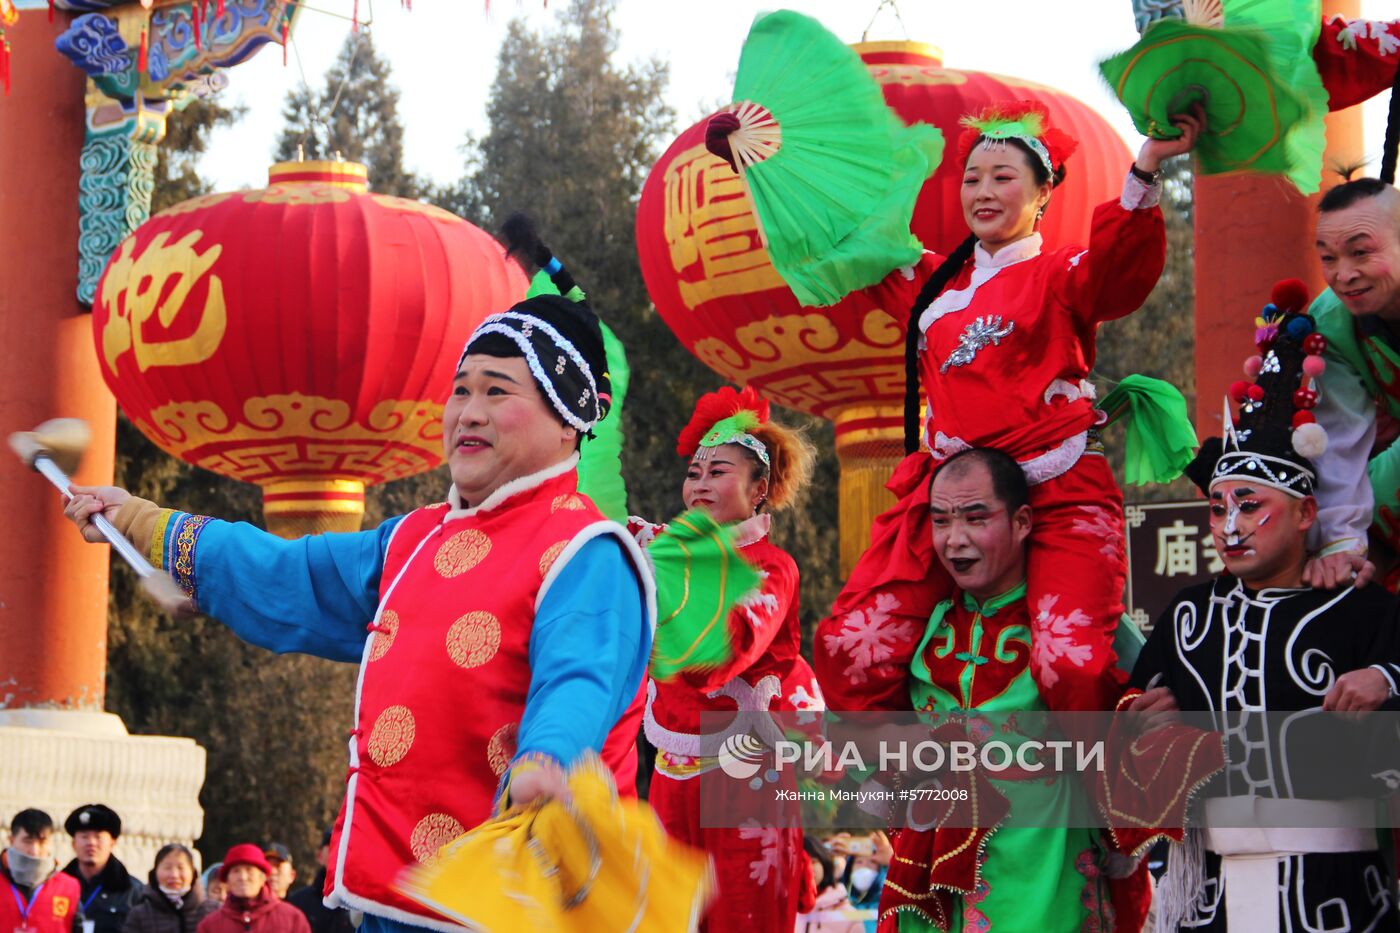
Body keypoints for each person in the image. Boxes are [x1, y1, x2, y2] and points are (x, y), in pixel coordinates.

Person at [63, 232, 654, 933]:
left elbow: (579, 681)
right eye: (460, 390)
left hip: (520, 900)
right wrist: (139, 519)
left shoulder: (587, 550)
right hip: (391, 894)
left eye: (498, 391)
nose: (467, 411)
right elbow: (289, 574)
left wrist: (545, 762)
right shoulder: (411, 540)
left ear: (568, 419)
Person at [810, 100, 1204, 719]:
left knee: (1067, 663)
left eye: (1003, 178)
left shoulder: (1062, 272)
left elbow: (1117, 271)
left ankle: (1115, 799)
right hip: (949, 505)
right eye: (972, 178)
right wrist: (771, 164)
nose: (983, 192)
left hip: (1059, 494)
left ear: (1044, 191)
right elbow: (846, 234)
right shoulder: (933, 286)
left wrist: (1149, 163)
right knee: (849, 648)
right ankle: (922, 792)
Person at [1125, 284, 1400, 931]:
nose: (1229, 526)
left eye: (1250, 505)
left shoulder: (1356, 606)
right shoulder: (1188, 617)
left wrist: (1386, 681)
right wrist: (1137, 722)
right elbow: (1122, 750)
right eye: (1218, 507)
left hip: (1340, 900)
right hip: (1210, 902)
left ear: (1307, 511)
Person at [865, 448, 1138, 932]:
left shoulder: (1072, 626)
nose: (956, 539)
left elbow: (1148, 701)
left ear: (1022, 521)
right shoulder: (920, 625)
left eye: (975, 518)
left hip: (1045, 866)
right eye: (942, 520)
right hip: (934, 871)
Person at [626, 385, 821, 933]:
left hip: (745, 782)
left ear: (760, 488)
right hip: (670, 773)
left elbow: (721, 654)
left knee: (744, 921)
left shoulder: (770, 569)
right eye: (695, 473)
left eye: (718, 472)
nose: (700, 485)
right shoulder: (665, 552)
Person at [1308, 177, 1400, 588]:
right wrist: (1342, 545)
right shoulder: (1329, 322)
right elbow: (1340, 440)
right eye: (1328, 258)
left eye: (1361, 252)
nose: (1344, 275)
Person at [62, 805, 143, 933]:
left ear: (112, 843)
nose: (91, 843)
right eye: (84, 837)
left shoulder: (133, 891)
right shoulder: (57, 888)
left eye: (98, 837)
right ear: (73, 844)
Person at [1, 809, 79, 933]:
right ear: (11, 840)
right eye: (28, 841)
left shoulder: (69, 887)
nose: (34, 850)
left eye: (42, 842)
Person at [195, 846, 307, 933]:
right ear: (227, 879)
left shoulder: (292, 919)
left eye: (249, 870)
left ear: (263, 877)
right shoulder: (210, 926)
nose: (243, 877)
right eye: (236, 871)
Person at [122, 844, 217, 933]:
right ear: (155, 873)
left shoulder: (212, 911)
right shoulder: (139, 914)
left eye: (181, 868)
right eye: (167, 868)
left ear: (193, 873)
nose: (174, 875)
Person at [285, 832, 350, 933]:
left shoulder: (365, 904)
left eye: (345, 845)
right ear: (319, 856)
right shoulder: (298, 901)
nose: (339, 852)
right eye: (333, 845)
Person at [795, 837, 863, 933]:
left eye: (813, 862)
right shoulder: (782, 912)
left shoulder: (849, 916)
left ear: (824, 863)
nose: (808, 869)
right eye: (800, 863)